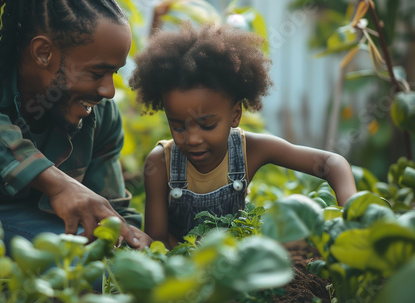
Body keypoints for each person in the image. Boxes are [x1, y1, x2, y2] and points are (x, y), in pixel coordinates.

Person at [0, 0, 152, 272]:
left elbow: (110, 210)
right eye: (97, 72)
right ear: (43, 53)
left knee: (98, 269)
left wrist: (131, 237)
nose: (109, 90)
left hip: (5, 229)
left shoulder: (100, 118)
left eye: (114, 73)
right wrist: (56, 183)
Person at [129, 23, 358, 249]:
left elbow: (331, 162)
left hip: (237, 264)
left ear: (235, 114)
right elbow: (157, 241)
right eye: (178, 127)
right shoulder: (160, 163)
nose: (193, 139)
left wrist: (352, 212)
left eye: (207, 125)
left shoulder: (250, 150)